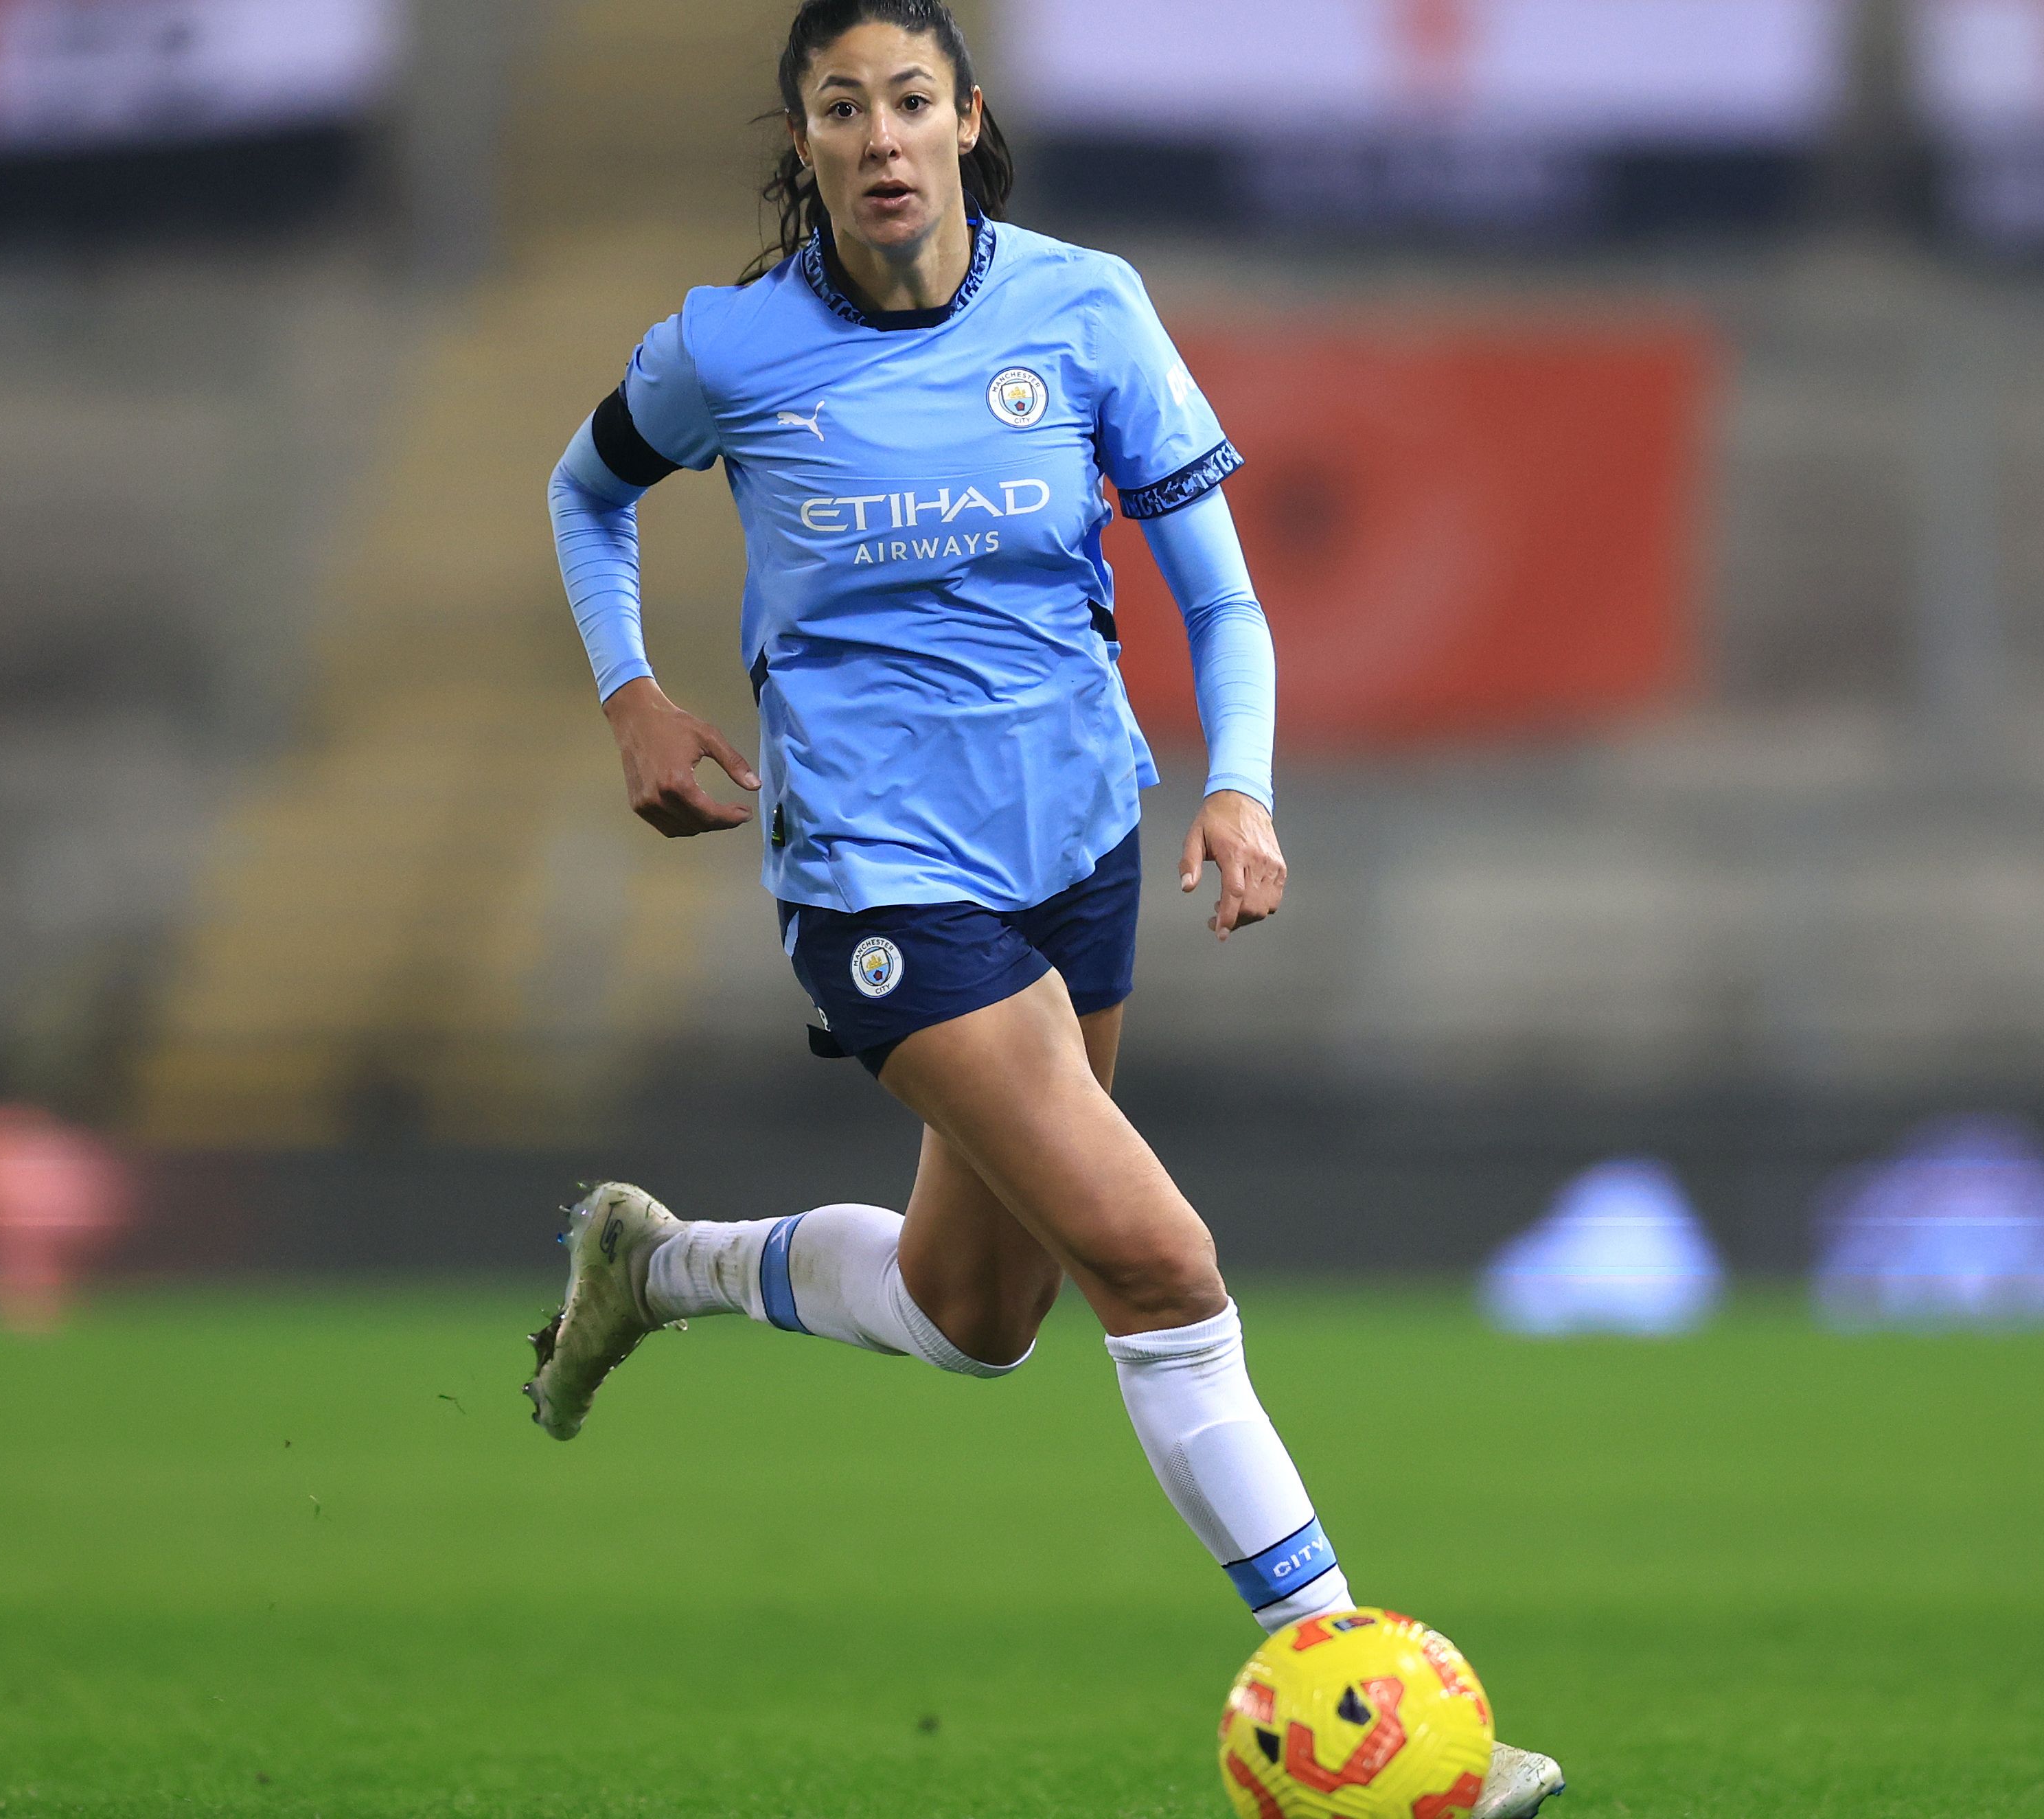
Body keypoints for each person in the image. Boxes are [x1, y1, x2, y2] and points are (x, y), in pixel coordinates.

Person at [535, 5, 1563, 1813]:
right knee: (1160, 1263)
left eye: (909, 99)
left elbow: (1223, 601)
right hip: (875, 879)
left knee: (974, 1311)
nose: (879, 136)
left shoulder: (1085, 307)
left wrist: (1236, 781)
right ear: (807, 136)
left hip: (1077, 847)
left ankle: (663, 1263)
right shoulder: (730, 351)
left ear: (965, 118)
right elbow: (587, 488)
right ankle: (1361, 1704)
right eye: (841, 106)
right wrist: (630, 688)